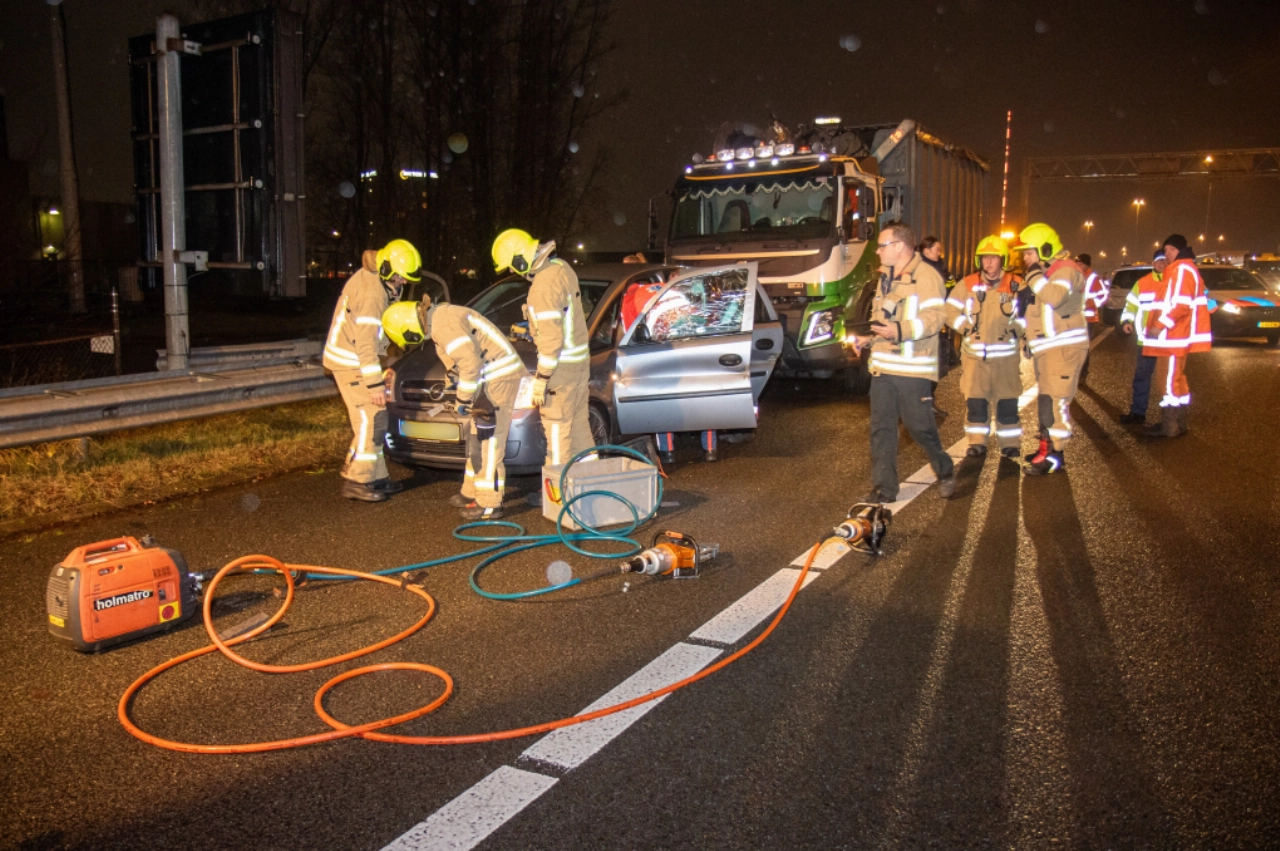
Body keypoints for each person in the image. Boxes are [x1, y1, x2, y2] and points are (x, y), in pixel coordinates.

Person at [382, 297, 528, 520]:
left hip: (498, 380)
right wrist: (455, 383)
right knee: (474, 438)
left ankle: (490, 504)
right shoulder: (438, 320)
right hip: (486, 379)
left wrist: (462, 400)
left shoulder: (443, 325)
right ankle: (471, 491)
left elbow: (470, 364)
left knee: (489, 442)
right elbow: (461, 362)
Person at [849, 222, 956, 502]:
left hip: (913, 368)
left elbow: (935, 318)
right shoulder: (886, 277)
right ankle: (885, 488)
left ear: (899, 246)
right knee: (881, 429)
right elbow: (882, 323)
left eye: (882, 246)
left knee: (919, 427)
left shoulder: (926, 277)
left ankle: (944, 469)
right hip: (883, 367)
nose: (878, 252)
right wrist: (867, 340)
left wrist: (900, 331)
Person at [491, 229, 593, 504]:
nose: (513, 271)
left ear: (520, 261)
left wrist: (541, 378)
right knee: (580, 428)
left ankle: (557, 495)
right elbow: (562, 319)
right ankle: (592, 483)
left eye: (513, 265)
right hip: (579, 363)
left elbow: (551, 341)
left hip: (560, 368)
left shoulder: (542, 287)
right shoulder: (560, 268)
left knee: (557, 430)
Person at [322, 239, 420, 502]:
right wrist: (375, 384)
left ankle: (375, 476)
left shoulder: (380, 279)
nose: (403, 283)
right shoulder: (372, 294)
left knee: (374, 419)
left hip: (355, 359)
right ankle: (358, 479)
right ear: (388, 268)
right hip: (351, 361)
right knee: (371, 419)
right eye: (401, 278)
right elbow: (365, 342)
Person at [1013, 223, 1089, 475]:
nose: (1025, 258)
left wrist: (1034, 276)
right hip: (1047, 349)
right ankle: (1046, 448)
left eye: (1029, 252)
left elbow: (1055, 298)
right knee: (1046, 400)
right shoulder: (1042, 276)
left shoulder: (1067, 270)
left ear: (1045, 249)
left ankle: (1055, 455)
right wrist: (1027, 340)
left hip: (1064, 348)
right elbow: (1033, 314)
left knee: (1056, 401)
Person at [620, 277, 719, 465]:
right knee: (703, 394)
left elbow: (630, 330)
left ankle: (668, 452)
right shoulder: (666, 287)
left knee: (664, 398)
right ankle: (710, 449)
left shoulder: (631, 295)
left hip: (666, 342)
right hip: (693, 333)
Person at [946, 235, 1024, 460]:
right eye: (984, 258)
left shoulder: (1017, 284)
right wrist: (965, 328)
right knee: (976, 402)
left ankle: (1010, 443)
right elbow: (950, 311)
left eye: (993, 258)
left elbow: (1031, 314)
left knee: (1007, 401)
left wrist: (1017, 329)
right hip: (974, 358)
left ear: (1003, 260)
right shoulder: (968, 283)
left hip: (1006, 358)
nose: (988, 262)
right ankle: (977, 442)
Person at [1141, 234, 1212, 437]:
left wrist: (1160, 325)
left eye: (1170, 249)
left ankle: (1169, 427)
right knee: (1177, 379)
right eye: (1165, 250)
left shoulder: (1181, 270)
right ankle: (1179, 423)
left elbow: (1181, 305)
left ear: (1180, 250)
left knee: (1168, 380)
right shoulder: (1184, 269)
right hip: (1176, 336)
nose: (1167, 254)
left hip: (1173, 336)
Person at [1118, 249, 1166, 424]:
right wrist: (1126, 321)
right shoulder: (1142, 283)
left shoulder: (1174, 282)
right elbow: (1130, 306)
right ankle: (1138, 412)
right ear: (1153, 263)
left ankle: (1167, 419)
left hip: (1168, 341)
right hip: (1146, 340)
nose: (1162, 263)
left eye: (1164, 260)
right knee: (1141, 377)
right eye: (1159, 260)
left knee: (1167, 380)